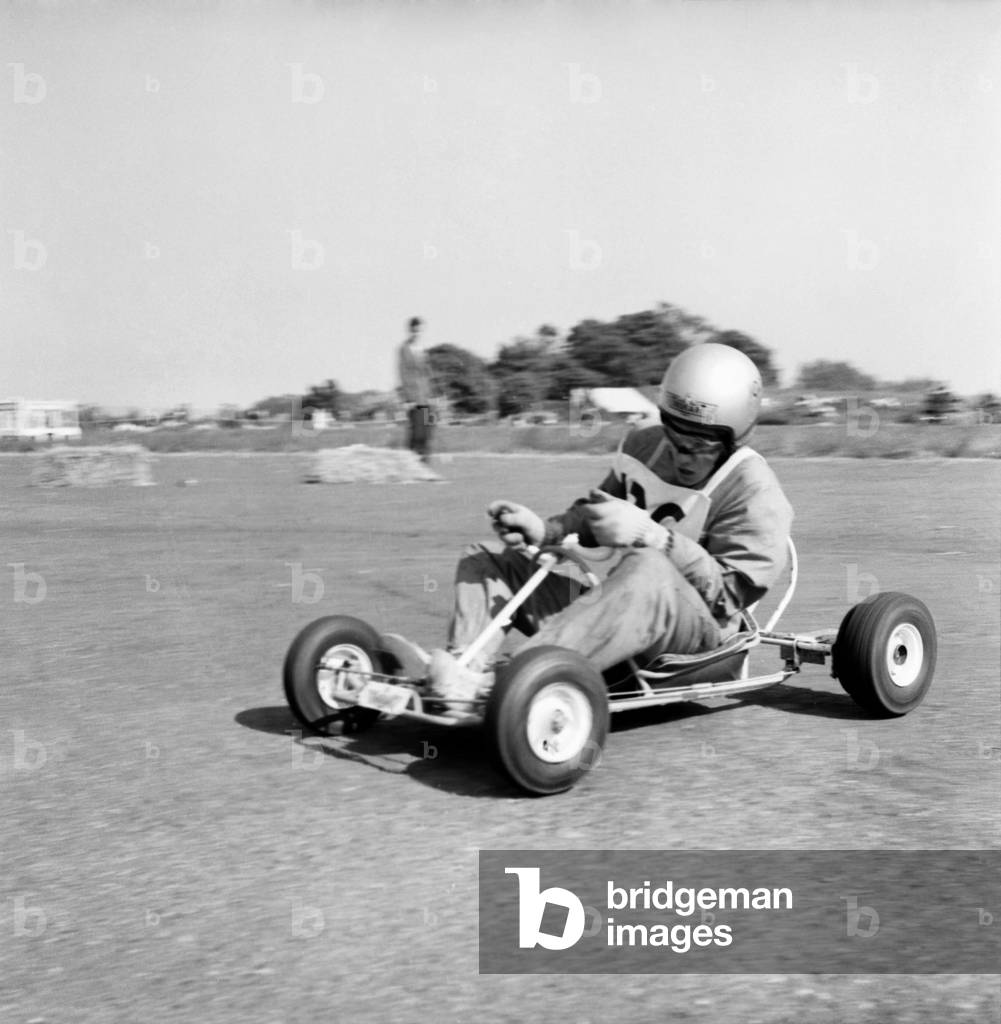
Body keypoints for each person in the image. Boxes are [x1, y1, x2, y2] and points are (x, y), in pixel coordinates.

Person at [386, 343, 794, 710]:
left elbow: (729, 596)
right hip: (622, 606)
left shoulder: (753, 489)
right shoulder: (644, 444)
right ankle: (463, 669)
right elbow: (595, 513)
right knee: (488, 559)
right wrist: (544, 530)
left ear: (734, 437)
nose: (682, 454)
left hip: (696, 641)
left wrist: (655, 537)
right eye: (674, 433)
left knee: (647, 567)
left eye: (701, 445)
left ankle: (502, 686)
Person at [397, 316, 436, 462]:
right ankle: (410, 462)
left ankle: (424, 460)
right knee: (417, 430)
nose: (417, 334)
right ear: (410, 331)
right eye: (415, 331)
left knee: (427, 427)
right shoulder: (404, 349)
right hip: (413, 398)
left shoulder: (423, 349)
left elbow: (428, 373)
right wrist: (407, 398)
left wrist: (432, 394)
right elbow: (403, 374)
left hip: (425, 396)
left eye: (419, 331)